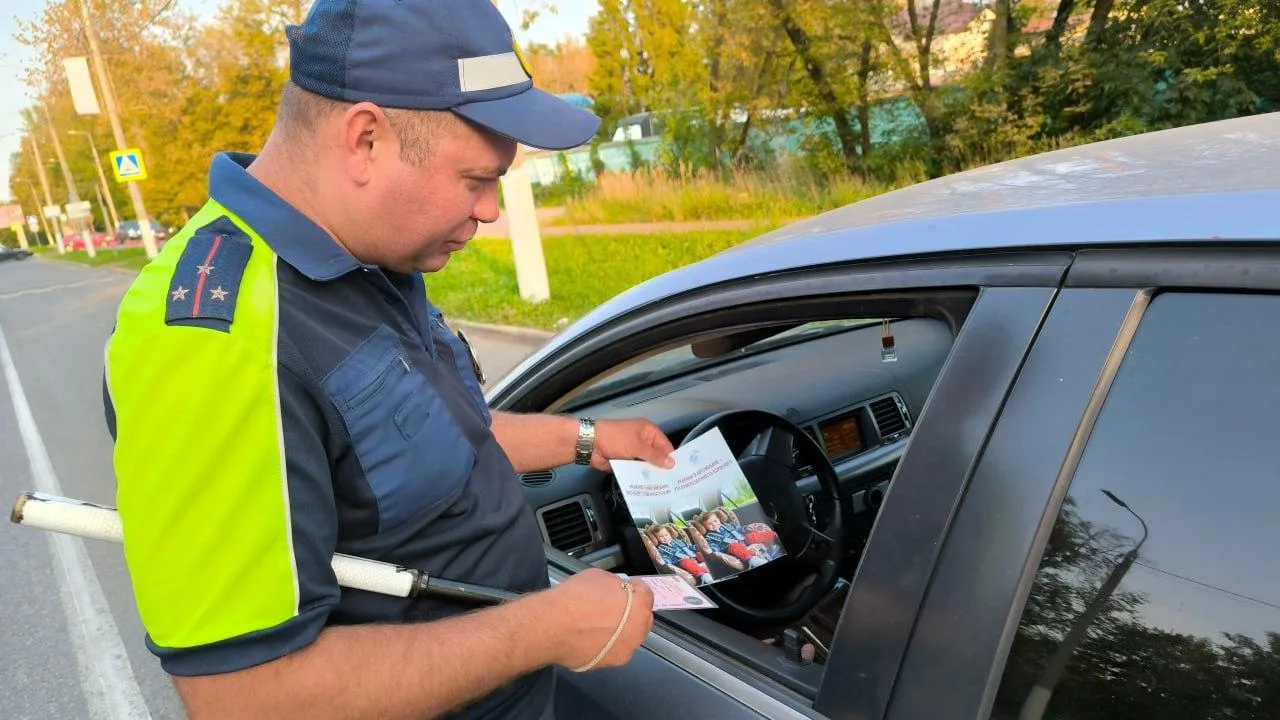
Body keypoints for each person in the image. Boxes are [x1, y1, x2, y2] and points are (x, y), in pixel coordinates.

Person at [101, 1, 677, 718]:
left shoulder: (368, 255)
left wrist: (585, 439)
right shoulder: (213, 341)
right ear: (366, 139)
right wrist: (547, 628)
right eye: (475, 179)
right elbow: (245, 696)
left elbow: (423, 440)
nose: (492, 210)